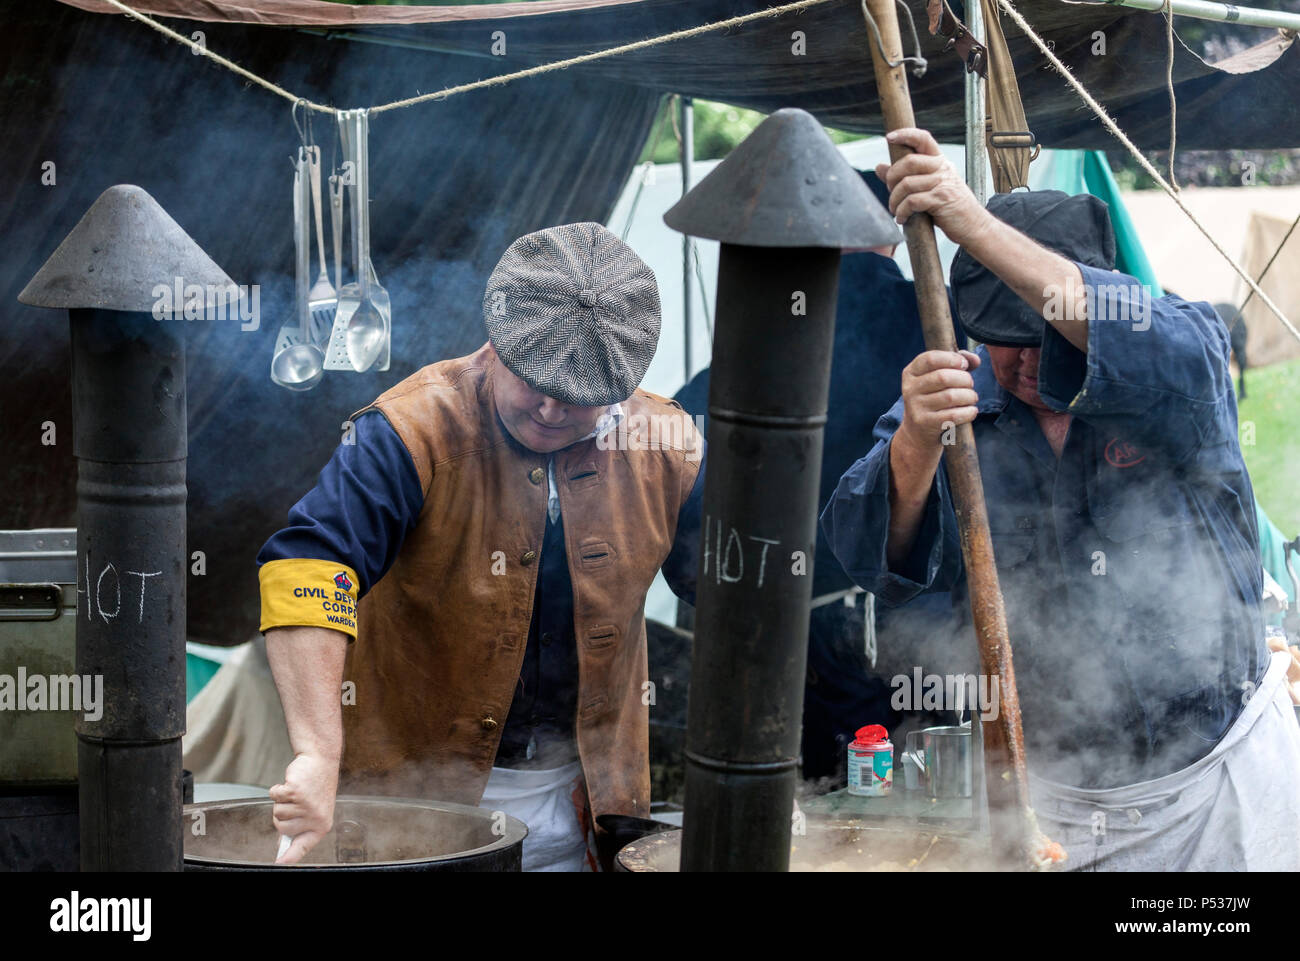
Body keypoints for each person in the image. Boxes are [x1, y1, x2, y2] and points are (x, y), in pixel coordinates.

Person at [821, 127, 1300, 870]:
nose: (1018, 359)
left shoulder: (1179, 360)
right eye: (998, 337)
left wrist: (966, 217)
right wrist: (915, 440)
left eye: (1041, 333)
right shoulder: (959, 394)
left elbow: (1170, 347)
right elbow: (862, 552)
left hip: (1216, 786)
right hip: (1049, 799)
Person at [257, 222, 704, 871]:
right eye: (532, 380)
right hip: (415, 816)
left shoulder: (668, 447)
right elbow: (307, 567)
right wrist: (317, 752)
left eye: (578, 398)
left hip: (593, 814)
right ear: (495, 342)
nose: (551, 409)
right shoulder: (411, 431)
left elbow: (740, 587)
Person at [675, 171, 961, 785]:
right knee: (918, 802)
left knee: (804, 801)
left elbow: (679, 453)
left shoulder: (764, 329)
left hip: (778, 635)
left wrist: (709, 586)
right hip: (925, 636)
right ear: (889, 237)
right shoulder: (942, 329)